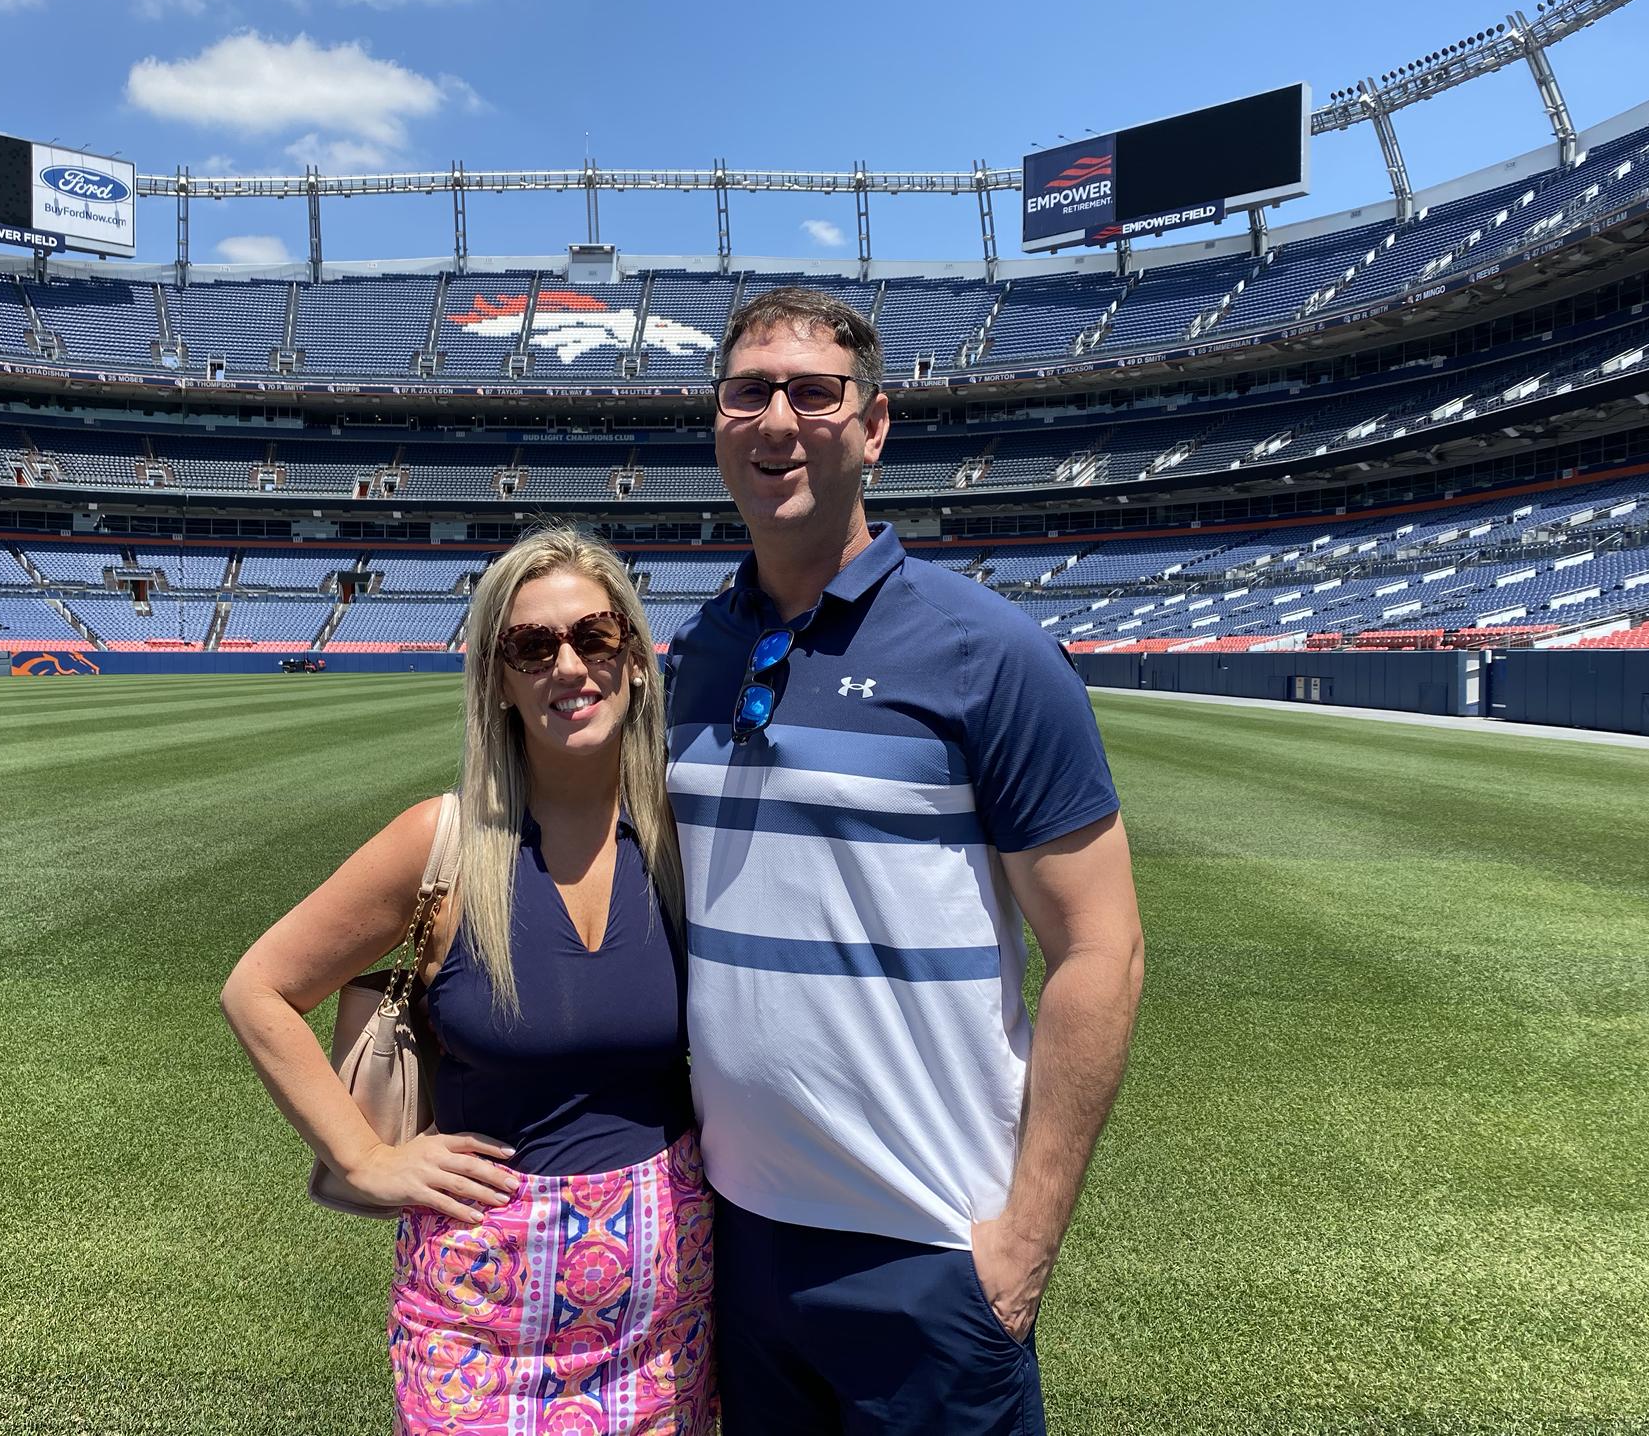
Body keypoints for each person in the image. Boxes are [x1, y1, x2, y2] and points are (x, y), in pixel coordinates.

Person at [664, 287, 1145, 1434]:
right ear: (717, 422)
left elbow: (1101, 950)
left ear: (873, 427)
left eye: (814, 392)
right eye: (747, 391)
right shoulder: (689, 653)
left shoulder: (989, 653)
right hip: (733, 1239)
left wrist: (1020, 1245)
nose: (776, 418)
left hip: (931, 1248)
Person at [223, 526, 715, 1435]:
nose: (568, 666)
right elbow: (259, 990)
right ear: (498, 680)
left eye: (594, 637)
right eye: (531, 647)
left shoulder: (688, 836)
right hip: (480, 1317)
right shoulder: (441, 843)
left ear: (636, 659)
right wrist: (364, 1158)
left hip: (667, 1318)